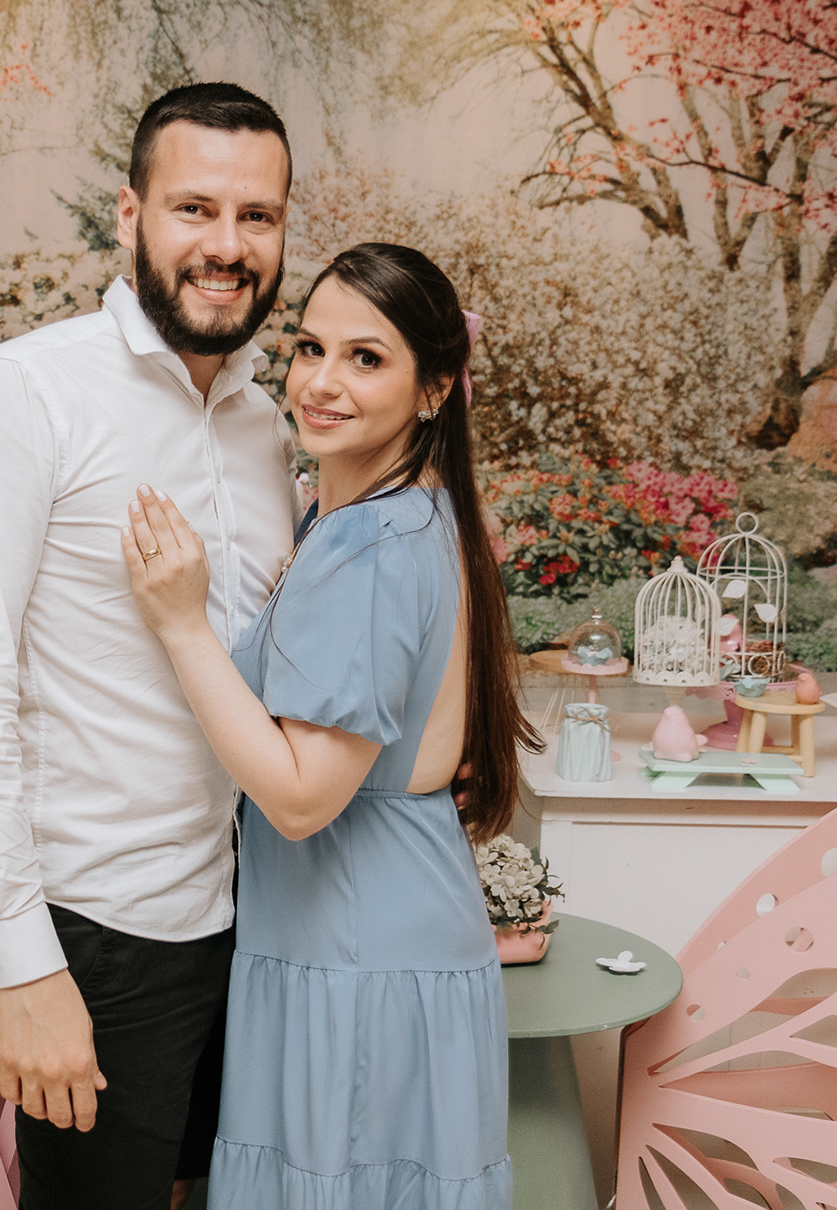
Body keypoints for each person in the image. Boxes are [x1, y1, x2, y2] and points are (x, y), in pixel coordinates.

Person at [0, 83, 299, 1208]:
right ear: (130, 216)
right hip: (89, 932)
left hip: (245, 914)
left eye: (257, 216)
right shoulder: (22, 394)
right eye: (194, 208)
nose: (227, 245)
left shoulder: (271, 426)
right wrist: (24, 965)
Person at [124, 242, 539, 1206]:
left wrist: (182, 625)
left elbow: (304, 798)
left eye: (366, 358)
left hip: (355, 949)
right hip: (375, 932)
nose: (321, 381)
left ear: (435, 389)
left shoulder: (370, 545)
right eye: (311, 348)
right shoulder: (407, 516)